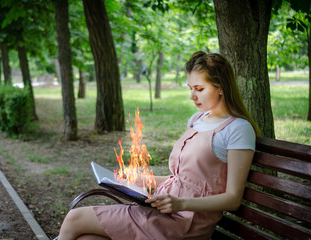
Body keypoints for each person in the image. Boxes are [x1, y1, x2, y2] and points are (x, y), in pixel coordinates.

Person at [56, 51, 259, 240]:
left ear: (221, 87)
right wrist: (142, 180)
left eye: (199, 89)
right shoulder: (197, 119)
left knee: (75, 218)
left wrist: (180, 203)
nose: (192, 96)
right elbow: (182, 180)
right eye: (190, 89)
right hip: (162, 210)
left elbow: (233, 199)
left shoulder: (238, 129)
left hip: (186, 223)